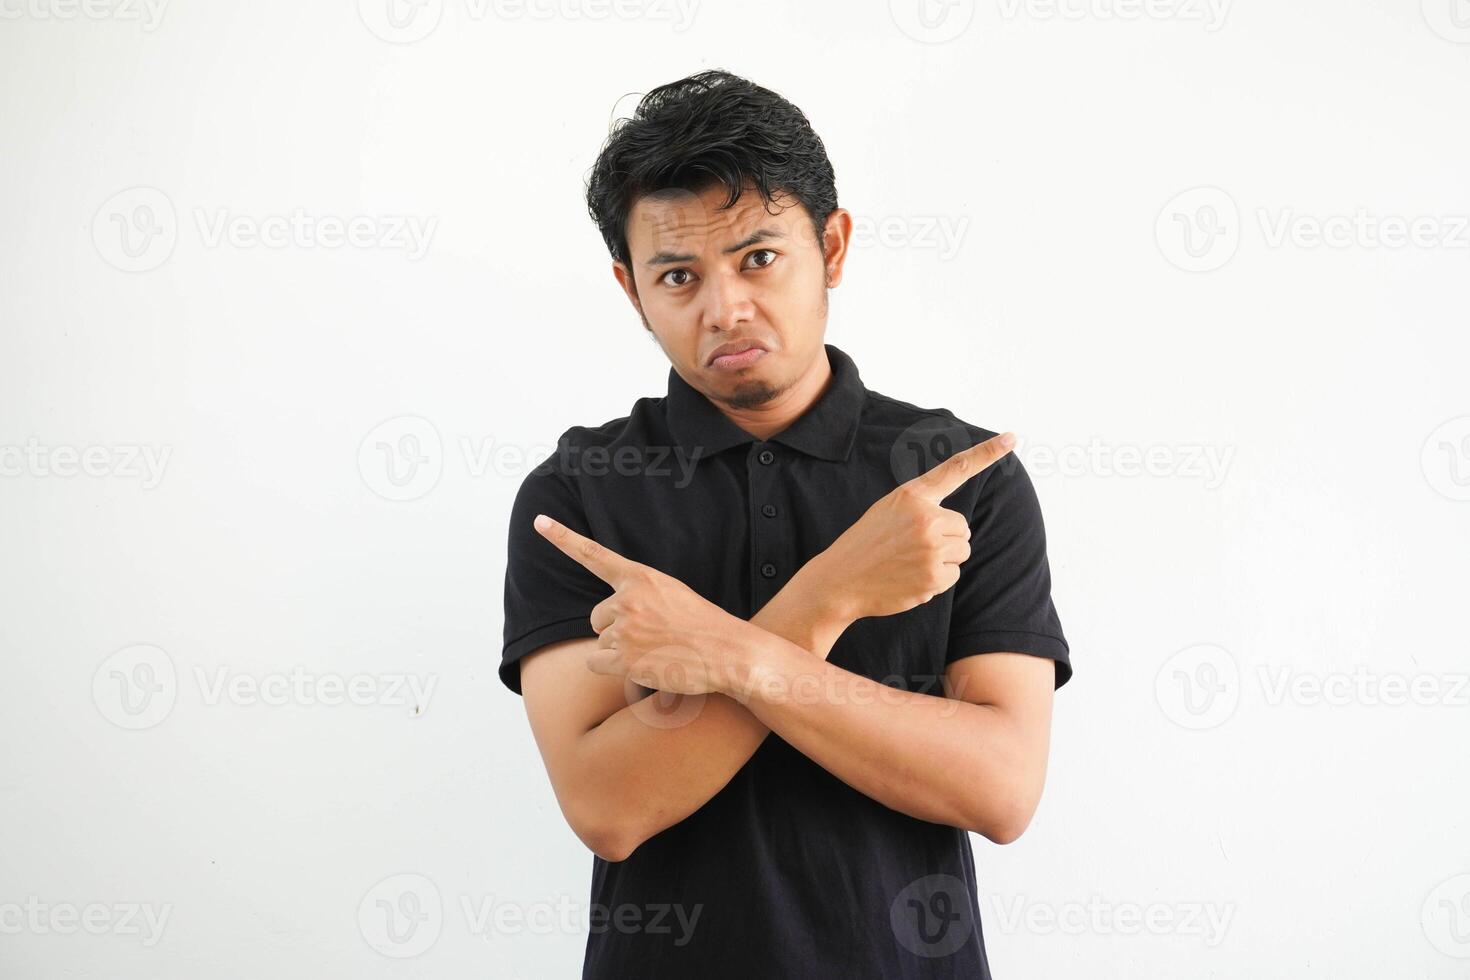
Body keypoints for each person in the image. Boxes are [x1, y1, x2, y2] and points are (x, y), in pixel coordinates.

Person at [500, 69, 1071, 980]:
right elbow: (608, 807)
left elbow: (1000, 790)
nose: (724, 309)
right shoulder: (577, 499)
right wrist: (832, 592)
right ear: (629, 288)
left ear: (832, 246)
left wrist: (724, 655)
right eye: (678, 275)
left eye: (759, 258)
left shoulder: (956, 480)